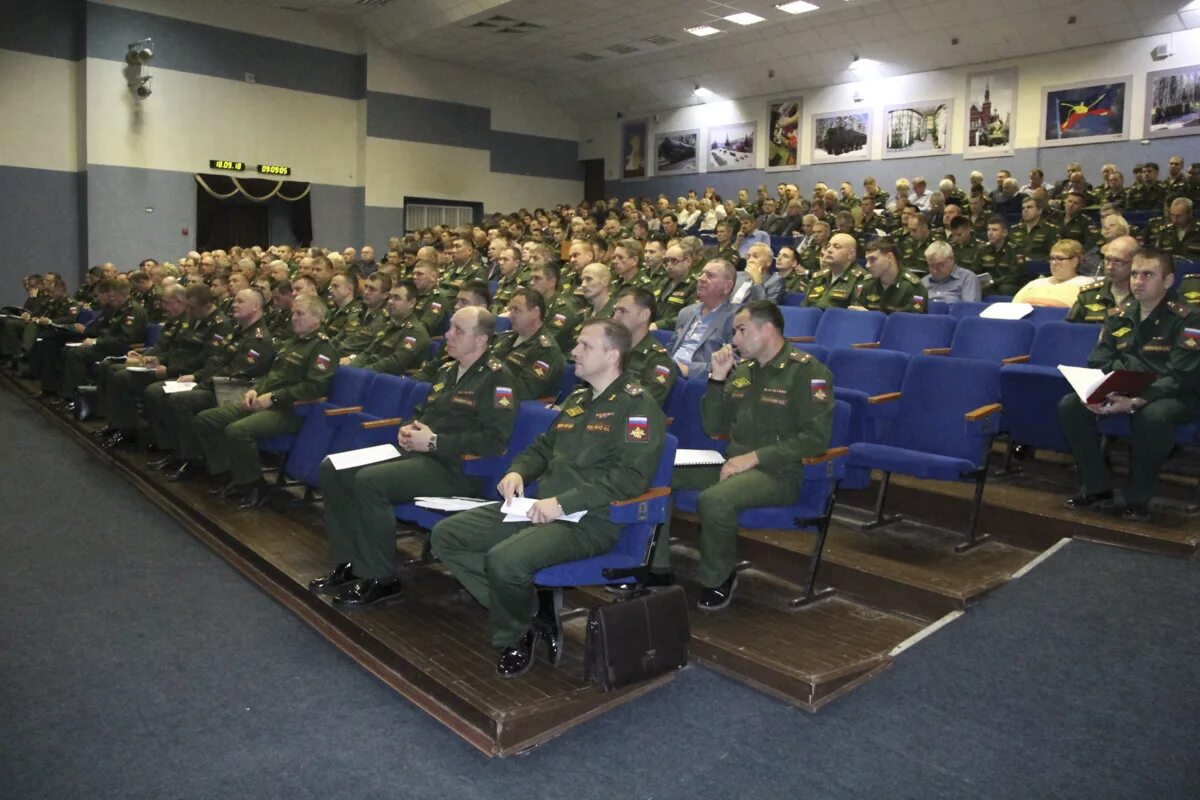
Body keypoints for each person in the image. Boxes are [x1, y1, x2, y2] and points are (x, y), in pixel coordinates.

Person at [430, 319, 666, 677]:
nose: (574, 352)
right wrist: (518, 471)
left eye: (585, 346)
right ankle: (524, 611)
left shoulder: (637, 407)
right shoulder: (578, 398)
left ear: (612, 355)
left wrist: (563, 503)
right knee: (448, 535)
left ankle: (516, 633)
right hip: (541, 507)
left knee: (504, 560)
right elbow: (542, 448)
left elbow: (629, 478)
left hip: (591, 519)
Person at [311, 307, 518, 608]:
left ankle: (381, 579)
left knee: (370, 482)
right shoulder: (449, 370)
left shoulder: (498, 380)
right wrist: (409, 428)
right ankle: (350, 563)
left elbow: (494, 441)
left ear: (482, 339)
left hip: (456, 468)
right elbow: (424, 412)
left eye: (458, 330)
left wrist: (434, 442)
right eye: (450, 327)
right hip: (420, 456)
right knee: (333, 467)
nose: (448, 334)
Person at [654, 301, 833, 610]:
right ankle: (656, 568)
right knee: (659, 473)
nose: (734, 340)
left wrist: (754, 458)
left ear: (767, 329)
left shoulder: (808, 372)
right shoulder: (743, 371)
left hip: (778, 473)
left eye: (741, 330)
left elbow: (815, 440)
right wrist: (717, 379)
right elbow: (714, 426)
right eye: (734, 331)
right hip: (732, 464)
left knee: (715, 500)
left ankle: (718, 578)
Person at [1056, 248, 1200, 521]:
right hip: (1124, 388)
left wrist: (1136, 399)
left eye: (1148, 274)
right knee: (1071, 405)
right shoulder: (1120, 313)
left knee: (1153, 417)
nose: (1138, 281)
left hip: (1176, 395)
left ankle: (1138, 498)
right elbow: (1100, 357)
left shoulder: (1189, 317)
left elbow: (1182, 375)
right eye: (1134, 274)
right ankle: (1097, 487)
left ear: (1168, 281)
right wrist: (1110, 388)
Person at [191, 293, 338, 509]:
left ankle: (255, 486)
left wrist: (275, 397)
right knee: (206, 420)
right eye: (292, 313)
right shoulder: (290, 343)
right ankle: (230, 474)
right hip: (265, 402)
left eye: (300, 314)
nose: (293, 318)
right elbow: (270, 375)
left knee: (237, 431)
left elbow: (316, 387)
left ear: (317, 318)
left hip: (293, 412)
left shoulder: (322, 349)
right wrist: (254, 390)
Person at [148, 287, 273, 474]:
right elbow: (217, 361)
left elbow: (236, 374)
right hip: (218, 384)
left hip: (235, 391)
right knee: (165, 393)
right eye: (234, 300)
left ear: (255, 307)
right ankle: (179, 451)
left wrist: (201, 383)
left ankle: (192, 458)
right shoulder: (239, 331)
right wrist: (196, 377)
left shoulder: (258, 339)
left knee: (179, 400)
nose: (233, 304)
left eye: (240, 301)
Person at [667, 258, 737, 378]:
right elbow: (671, 348)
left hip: (699, 381)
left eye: (710, 275)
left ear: (727, 286)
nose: (701, 279)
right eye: (701, 274)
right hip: (670, 373)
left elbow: (734, 363)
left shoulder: (737, 317)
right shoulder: (686, 312)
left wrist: (688, 370)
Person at [491, 288, 565, 400]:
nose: (510, 316)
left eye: (517, 310)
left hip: (509, 406)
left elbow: (524, 391)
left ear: (535, 313)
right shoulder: (506, 337)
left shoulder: (546, 350)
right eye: (511, 310)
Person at [613, 287, 677, 406]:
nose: (615, 317)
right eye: (615, 310)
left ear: (644, 315)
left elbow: (644, 405)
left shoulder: (658, 361)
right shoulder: (610, 349)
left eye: (622, 311)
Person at [1067, 235, 1137, 323]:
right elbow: (1069, 329)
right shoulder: (1089, 294)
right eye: (1107, 260)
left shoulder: (1145, 295)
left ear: (1135, 262)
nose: (1110, 267)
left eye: (1117, 261)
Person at [852, 238, 929, 313]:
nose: (867, 265)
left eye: (873, 259)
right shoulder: (866, 283)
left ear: (890, 257)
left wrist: (870, 317)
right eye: (867, 260)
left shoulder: (914, 287)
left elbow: (913, 321)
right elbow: (856, 311)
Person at [1011, 239, 1092, 307]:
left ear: (1075, 261)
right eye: (1052, 258)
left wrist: (1030, 301)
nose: (1053, 262)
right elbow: (1013, 308)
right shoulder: (1035, 283)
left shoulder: (1087, 285)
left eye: (1059, 258)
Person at [803, 233, 868, 309]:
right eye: (828, 246)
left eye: (836, 247)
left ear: (851, 254)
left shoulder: (861, 279)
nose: (829, 250)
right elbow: (804, 308)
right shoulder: (818, 277)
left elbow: (854, 313)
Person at [922, 239, 981, 304]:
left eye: (939, 265)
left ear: (951, 259)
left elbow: (969, 309)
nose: (934, 270)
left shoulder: (967, 278)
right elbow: (916, 309)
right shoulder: (923, 282)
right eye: (931, 266)